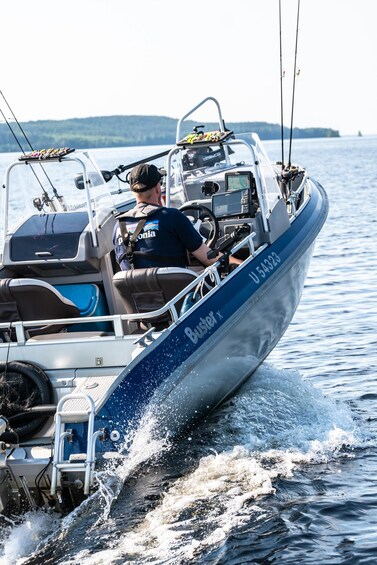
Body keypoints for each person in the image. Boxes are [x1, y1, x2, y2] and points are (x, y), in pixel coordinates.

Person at [112, 163, 222, 271]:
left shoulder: (118, 226)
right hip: (178, 289)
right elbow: (209, 258)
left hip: (133, 288)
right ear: (157, 188)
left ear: (132, 191)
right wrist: (236, 262)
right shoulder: (172, 217)